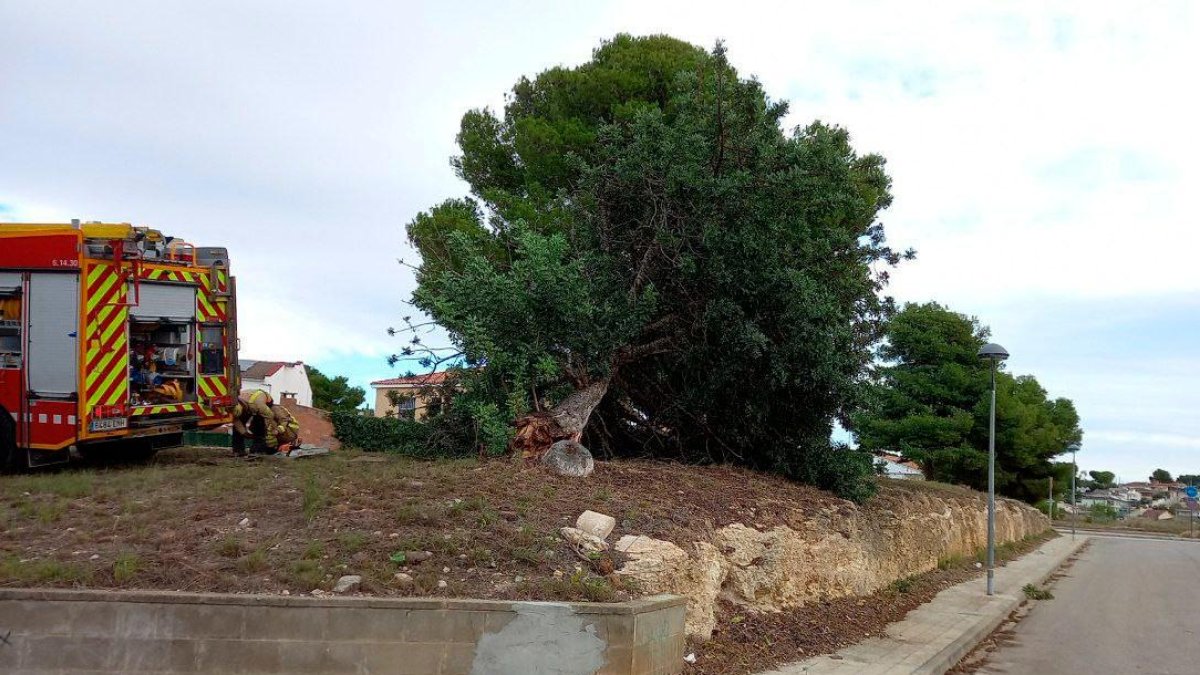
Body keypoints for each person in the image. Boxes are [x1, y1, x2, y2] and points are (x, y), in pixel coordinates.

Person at [231, 389, 274, 456]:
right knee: (236, 429)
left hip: (263, 401)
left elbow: (270, 416)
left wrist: (266, 427)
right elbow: (237, 423)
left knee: (259, 425)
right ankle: (238, 450)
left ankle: (257, 451)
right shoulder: (232, 407)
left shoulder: (259, 405)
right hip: (247, 402)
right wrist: (244, 433)